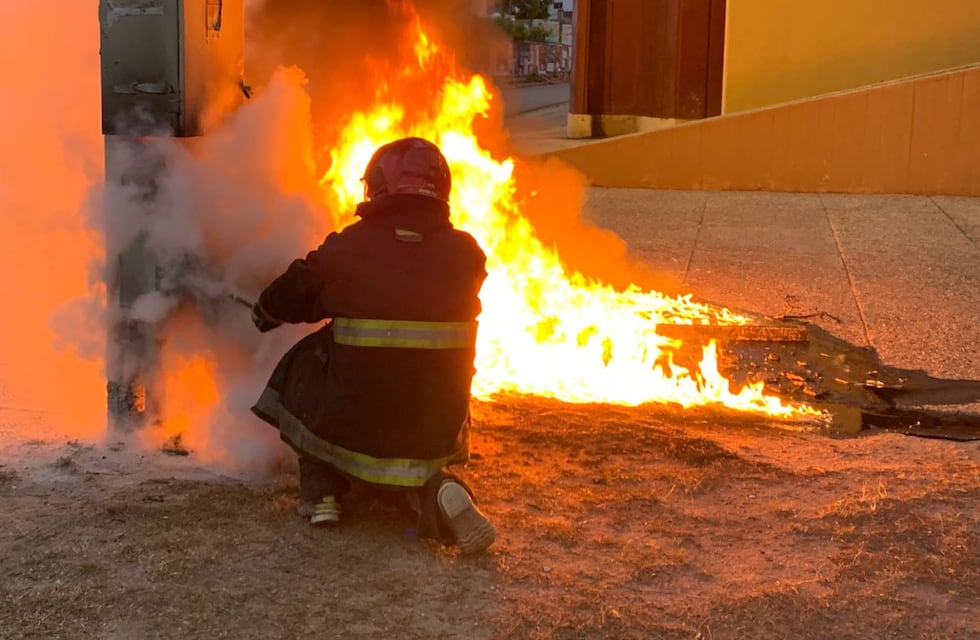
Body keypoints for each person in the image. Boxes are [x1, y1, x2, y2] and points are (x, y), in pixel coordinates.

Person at [249, 137, 495, 555]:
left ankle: (322, 489)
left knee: (304, 360)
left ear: (377, 186)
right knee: (410, 463)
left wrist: (263, 314)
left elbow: (295, 291)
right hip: (436, 422)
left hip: (358, 415)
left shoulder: (351, 246)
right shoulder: (468, 253)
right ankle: (439, 488)